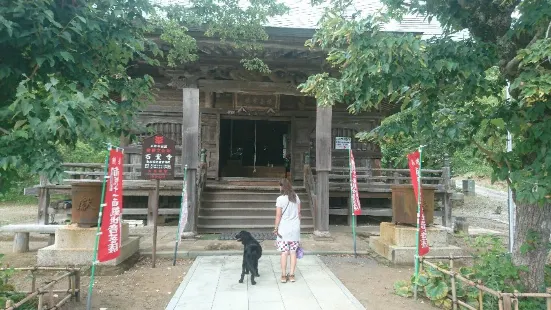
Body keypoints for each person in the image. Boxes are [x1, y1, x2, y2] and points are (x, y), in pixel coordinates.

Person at [273, 178, 301, 283]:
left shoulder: (280, 199)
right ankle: (292, 275)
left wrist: (276, 228)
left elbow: (278, 216)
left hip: (284, 230)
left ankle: (284, 276)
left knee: (284, 253)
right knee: (293, 252)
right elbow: (299, 214)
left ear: (282, 187)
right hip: (295, 229)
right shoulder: (296, 197)